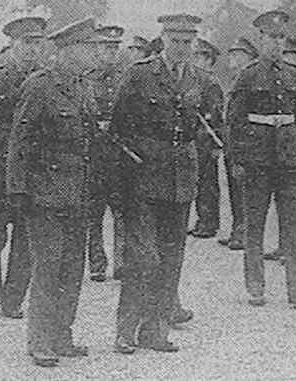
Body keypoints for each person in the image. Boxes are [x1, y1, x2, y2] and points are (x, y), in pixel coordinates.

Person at [111, 13, 215, 353]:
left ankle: (155, 332)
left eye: (188, 43)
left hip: (180, 178)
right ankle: (125, 330)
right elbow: (118, 128)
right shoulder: (139, 74)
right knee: (143, 258)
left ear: (194, 43)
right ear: (163, 40)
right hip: (143, 178)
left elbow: (199, 128)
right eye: (175, 42)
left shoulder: (200, 78)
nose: (182, 48)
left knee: (172, 258)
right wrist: (127, 174)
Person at [6, 17, 102, 367]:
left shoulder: (82, 86)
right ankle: (40, 341)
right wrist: (18, 190)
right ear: (68, 50)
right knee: (47, 269)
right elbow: (20, 140)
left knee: (72, 270)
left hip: (78, 193)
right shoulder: (40, 86)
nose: (94, 55)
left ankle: (63, 336)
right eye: (88, 48)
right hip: (45, 195)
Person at [227, 10, 296, 306]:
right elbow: (234, 121)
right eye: (271, 38)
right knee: (254, 224)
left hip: (288, 161)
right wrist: (238, 160)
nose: (277, 43)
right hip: (257, 161)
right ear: (260, 39)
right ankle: (256, 285)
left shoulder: (294, 75)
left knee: (294, 225)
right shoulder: (248, 75)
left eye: (281, 37)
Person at [0, 15, 47, 319]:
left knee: (26, 236)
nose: (31, 49)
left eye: (36, 43)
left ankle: (13, 300)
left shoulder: (46, 79)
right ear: (12, 44)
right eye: (25, 43)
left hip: (32, 170)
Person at [262, 37, 296, 262]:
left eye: (293, 59)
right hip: (273, 154)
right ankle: (284, 246)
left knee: (294, 208)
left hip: (292, 155)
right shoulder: (276, 83)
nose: (288, 63)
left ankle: (294, 251)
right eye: (285, 58)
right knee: (281, 205)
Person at [86, 25, 127, 282]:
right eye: (105, 47)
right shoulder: (86, 78)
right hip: (94, 154)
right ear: (96, 49)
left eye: (114, 48)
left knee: (122, 209)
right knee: (94, 211)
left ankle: (122, 263)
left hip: (120, 154)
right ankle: (97, 263)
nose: (110, 52)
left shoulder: (127, 77)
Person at [217, 37, 258, 251]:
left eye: (237, 53)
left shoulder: (251, 80)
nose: (232, 56)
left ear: (249, 57)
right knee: (235, 188)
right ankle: (237, 227)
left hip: (245, 144)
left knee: (244, 189)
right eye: (231, 52)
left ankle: (244, 232)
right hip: (232, 143)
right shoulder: (237, 78)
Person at [187, 38, 225, 240]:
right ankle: (203, 220)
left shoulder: (211, 83)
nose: (195, 60)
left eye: (199, 57)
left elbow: (216, 116)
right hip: (197, 138)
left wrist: (216, 143)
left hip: (208, 139)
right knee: (199, 180)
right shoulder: (197, 81)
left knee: (208, 182)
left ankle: (209, 222)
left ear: (208, 60)